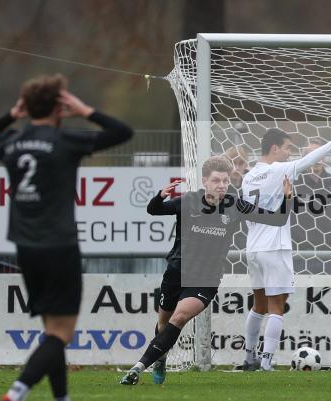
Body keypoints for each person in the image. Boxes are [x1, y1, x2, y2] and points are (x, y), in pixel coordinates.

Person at [0, 75, 133, 401]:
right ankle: (16, 394)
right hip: (59, 246)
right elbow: (122, 132)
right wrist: (86, 110)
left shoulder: (10, 142)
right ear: (60, 108)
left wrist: (11, 116)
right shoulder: (66, 140)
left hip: (26, 248)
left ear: (26, 107)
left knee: (52, 330)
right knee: (61, 333)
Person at [120, 157, 292, 385]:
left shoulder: (236, 205)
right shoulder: (189, 201)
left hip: (206, 279)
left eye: (225, 181)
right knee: (163, 324)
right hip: (177, 272)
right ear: (205, 181)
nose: (222, 185)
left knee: (180, 317)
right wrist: (160, 196)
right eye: (216, 180)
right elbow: (154, 210)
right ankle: (160, 358)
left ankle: (137, 368)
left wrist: (287, 198)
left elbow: (277, 220)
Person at [240, 121, 331, 371]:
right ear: (274, 148)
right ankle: (266, 363)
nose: (289, 153)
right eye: (287, 148)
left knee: (258, 305)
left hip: (253, 248)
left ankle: (249, 358)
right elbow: (311, 158)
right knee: (276, 306)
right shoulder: (279, 170)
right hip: (275, 247)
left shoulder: (248, 177)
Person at [292, 137, 331, 274]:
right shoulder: (294, 184)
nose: (317, 158)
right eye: (312, 154)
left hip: (327, 254)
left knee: (328, 287)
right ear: (304, 157)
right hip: (298, 254)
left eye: (320, 154)